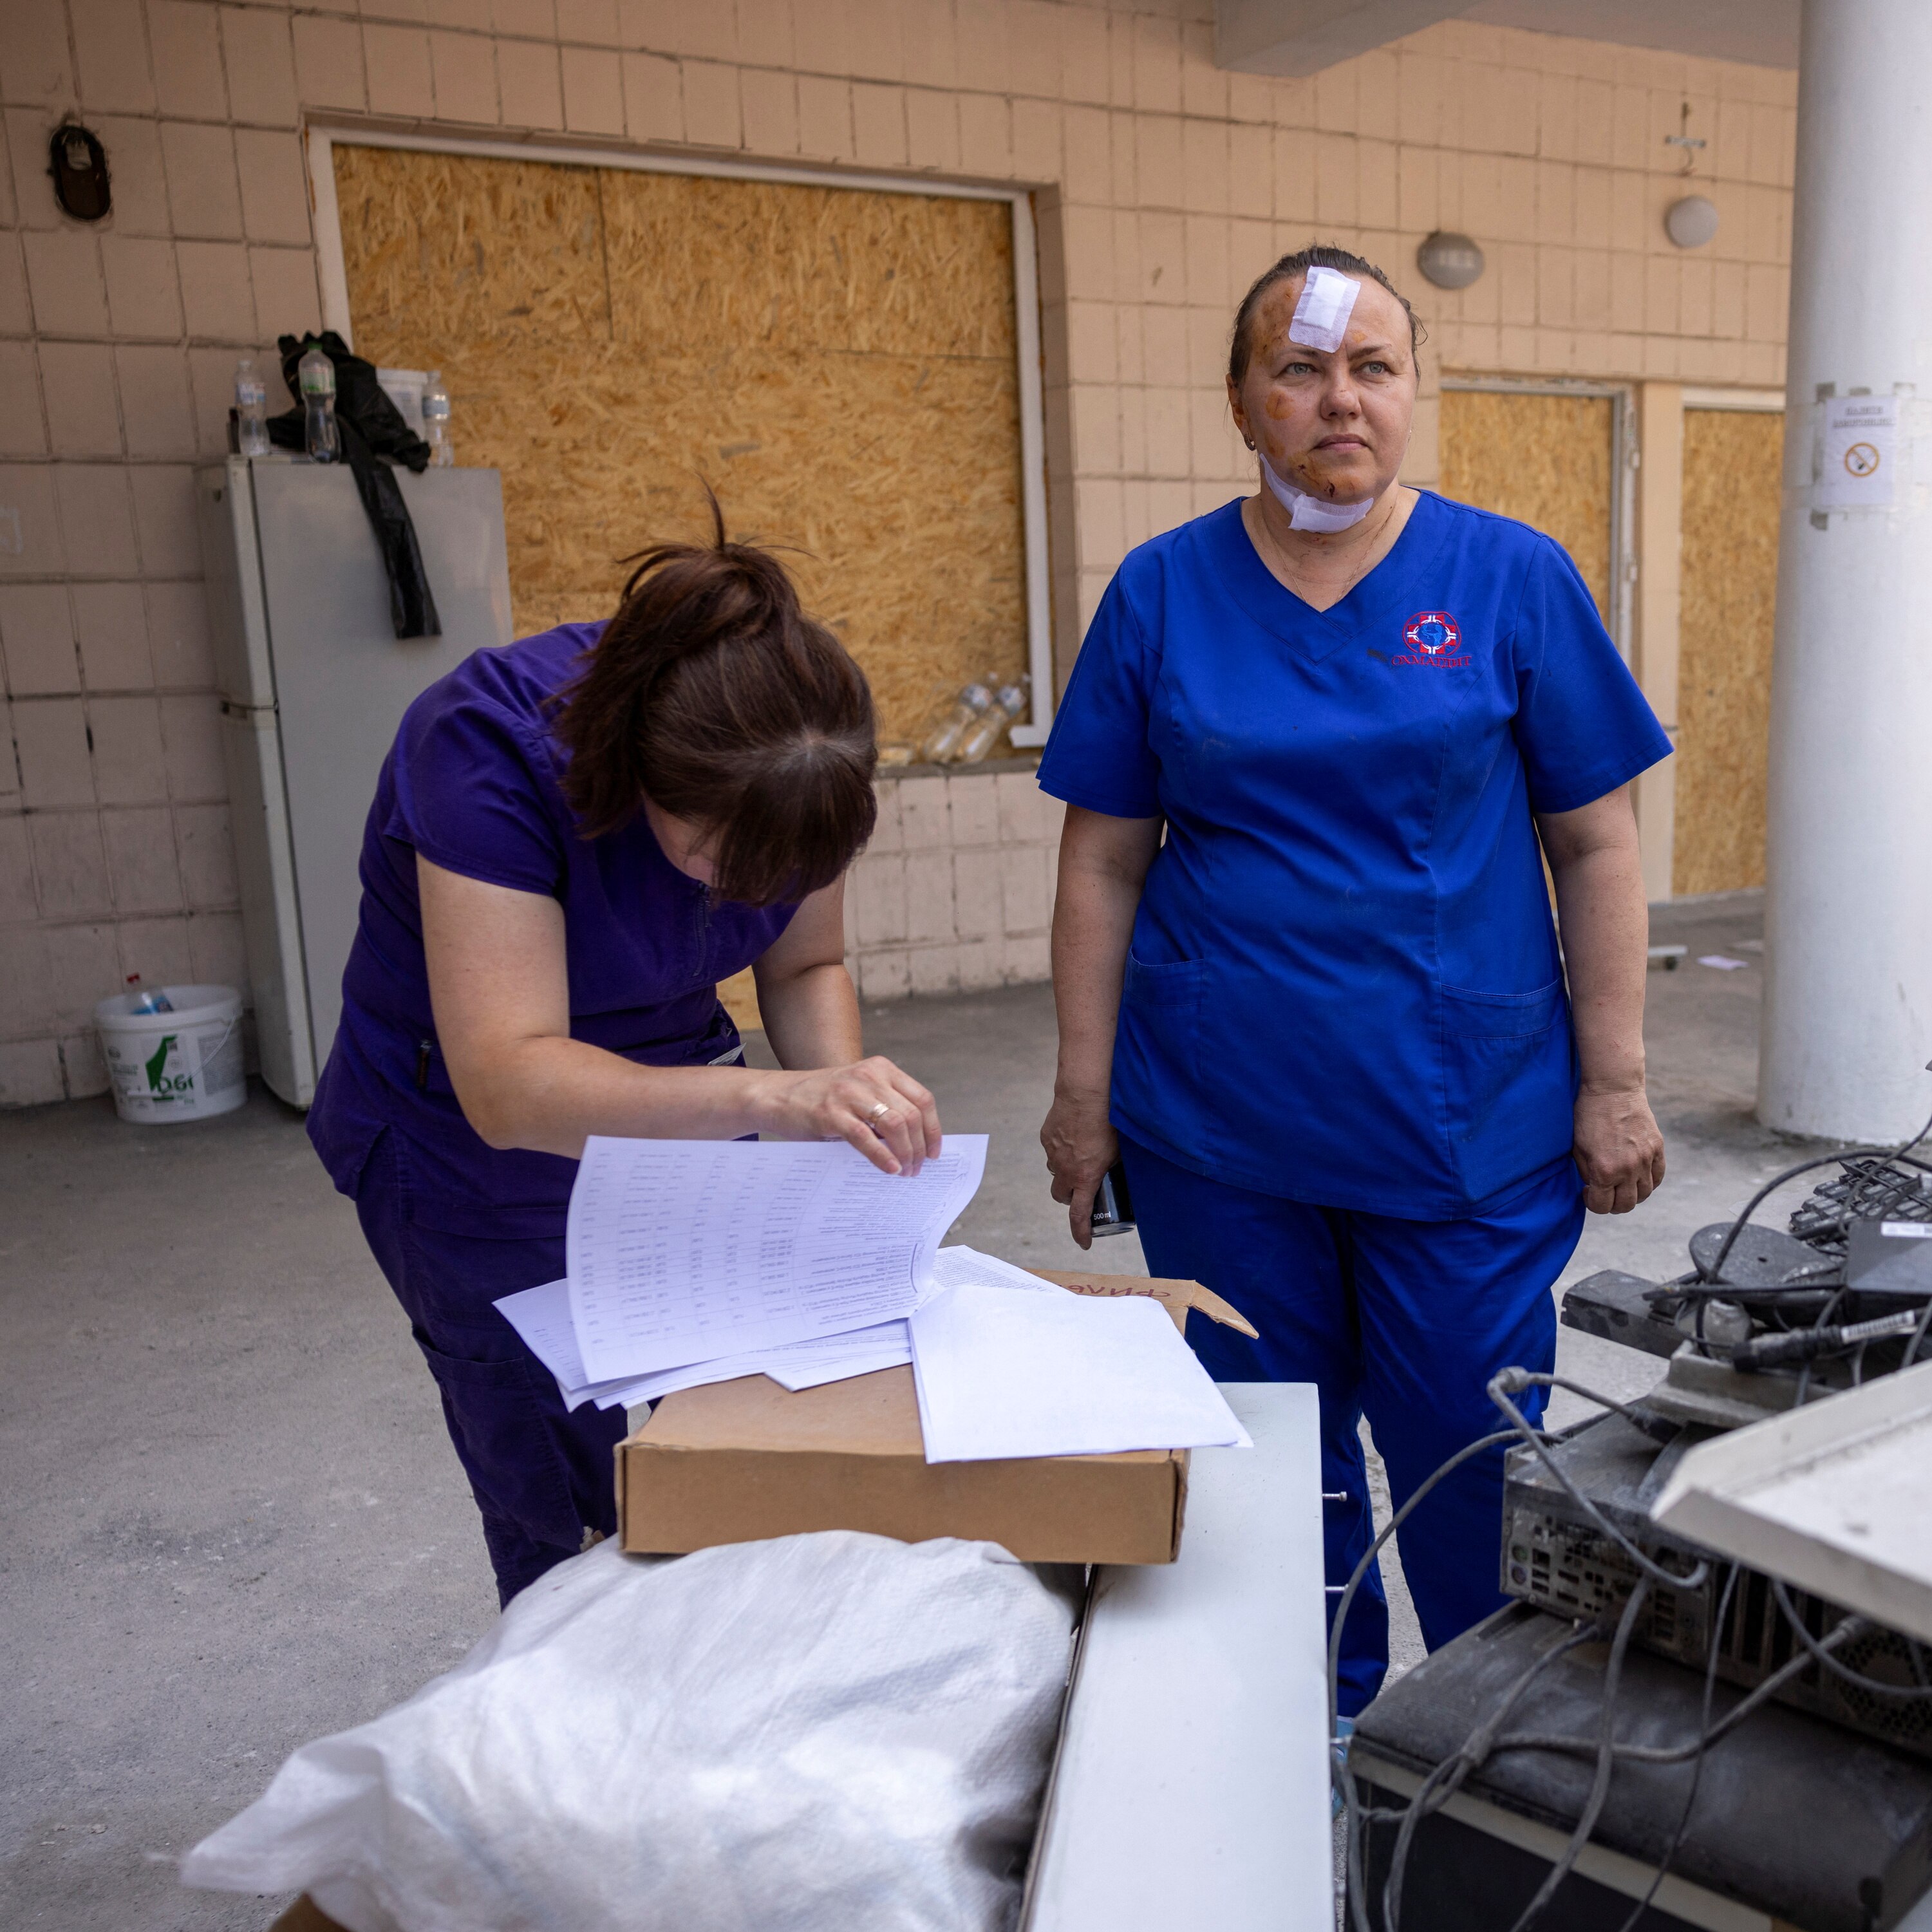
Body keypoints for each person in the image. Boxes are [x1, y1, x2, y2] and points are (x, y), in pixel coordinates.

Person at [1036, 245, 1673, 1715]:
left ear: (1412, 393)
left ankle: (1485, 1752)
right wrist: (1084, 1101)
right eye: (1300, 366)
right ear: (1241, 401)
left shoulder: (1509, 578)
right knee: (1261, 1459)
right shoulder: (1159, 594)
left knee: (1472, 1452)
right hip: (1219, 1132)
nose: (1339, 397)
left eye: (1372, 365)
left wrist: (1617, 1077)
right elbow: (1101, 863)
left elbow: (1594, 842)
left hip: (1465, 1130)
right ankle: (1303, 1742)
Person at [303, 514, 944, 1606]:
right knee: (569, 1506)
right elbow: (510, 1084)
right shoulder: (483, 749)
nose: (747, 899)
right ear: (641, 778)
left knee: (735, 1435)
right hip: (467, 1148)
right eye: (717, 867)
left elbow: (804, 967)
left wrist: (844, 1114)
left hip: (682, 1106)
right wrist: (775, 1095)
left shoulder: (793, 748)